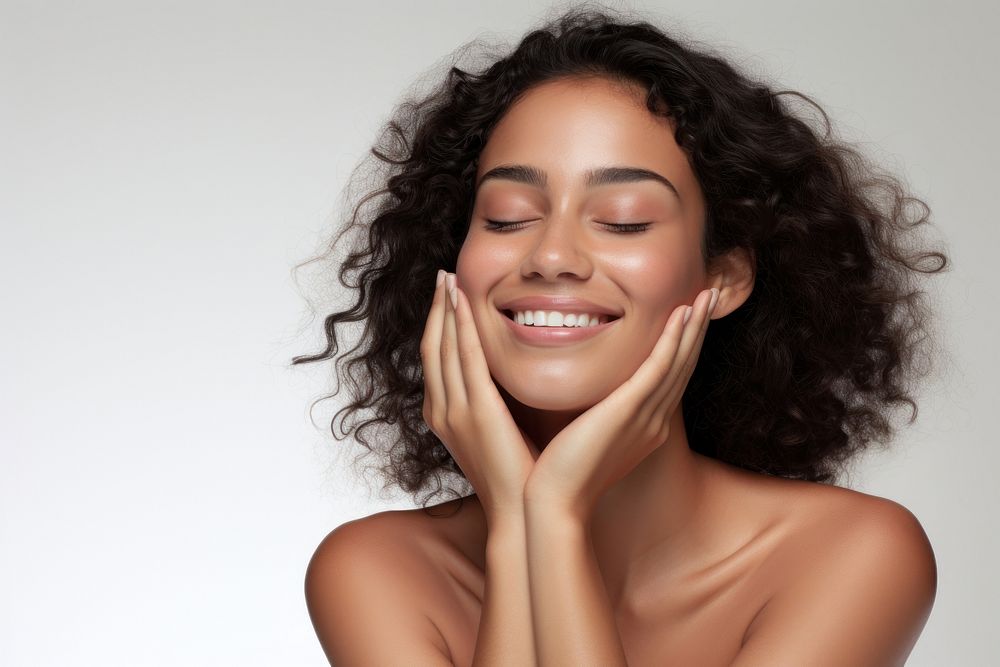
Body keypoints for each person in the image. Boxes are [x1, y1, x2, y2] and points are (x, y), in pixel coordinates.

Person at [294, 6, 946, 665]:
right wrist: (525, 527)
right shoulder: (375, 568)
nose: (552, 256)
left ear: (722, 276)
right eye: (506, 216)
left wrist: (550, 516)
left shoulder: (852, 554)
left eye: (624, 220)